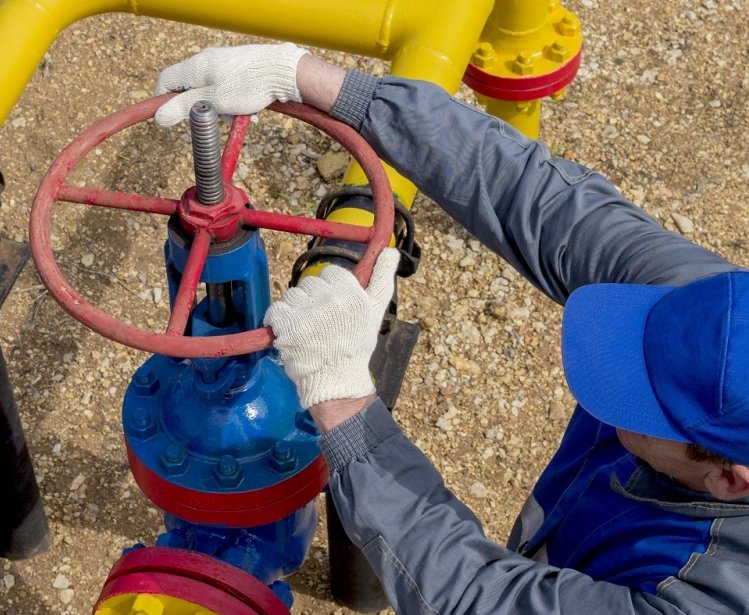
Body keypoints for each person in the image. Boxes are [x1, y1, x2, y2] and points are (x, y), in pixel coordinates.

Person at [153, 44, 749, 614]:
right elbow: (531, 193)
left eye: (635, 402)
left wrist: (339, 396)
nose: (608, 380)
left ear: (729, 477)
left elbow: (478, 598)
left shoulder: (713, 593)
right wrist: (309, 78)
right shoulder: (713, 317)